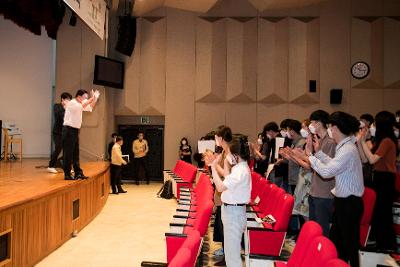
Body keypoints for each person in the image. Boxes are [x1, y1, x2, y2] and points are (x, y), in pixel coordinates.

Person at [308, 111, 364, 267]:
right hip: (343, 203)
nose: (330, 130)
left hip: (350, 204)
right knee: (337, 243)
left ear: (336, 128)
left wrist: (310, 156)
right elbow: (333, 164)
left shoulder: (347, 150)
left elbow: (326, 172)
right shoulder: (344, 147)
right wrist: (318, 154)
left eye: (331, 127)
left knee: (349, 245)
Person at [289, 110, 336, 237]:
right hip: (315, 189)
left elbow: (327, 167)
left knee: (321, 228)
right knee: (314, 227)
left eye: (313, 123)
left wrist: (305, 155)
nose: (311, 126)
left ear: (320, 123)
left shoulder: (330, 142)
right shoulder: (319, 140)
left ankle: (322, 254)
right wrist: (306, 153)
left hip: (324, 191)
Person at [207, 134, 251, 267]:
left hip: (234, 212)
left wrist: (213, 167)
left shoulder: (241, 170)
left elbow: (220, 187)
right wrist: (225, 162)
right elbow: (226, 178)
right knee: (231, 251)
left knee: (232, 256)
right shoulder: (238, 167)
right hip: (231, 211)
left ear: (236, 154)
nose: (227, 155)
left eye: (229, 153)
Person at [360, 111, 398, 251]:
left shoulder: (387, 141)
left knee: (384, 213)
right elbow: (369, 154)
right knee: (378, 213)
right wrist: (366, 140)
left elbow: (372, 159)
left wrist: (363, 141)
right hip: (379, 178)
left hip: (386, 179)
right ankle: (381, 242)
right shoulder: (382, 140)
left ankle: (387, 245)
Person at [63, 89, 99, 180]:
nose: (86, 100)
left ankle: (78, 173)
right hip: (68, 130)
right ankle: (67, 174)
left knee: (75, 153)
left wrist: (95, 99)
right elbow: (83, 105)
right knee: (68, 153)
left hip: (74, 131)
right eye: (84, 98)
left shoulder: (80, 104)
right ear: (79, 97)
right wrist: (92, 97)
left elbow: (90, 108)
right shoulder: (72, 103)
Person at [48, 92, 72, 174]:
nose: (69, 101)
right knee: (58, 148)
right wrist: (65, 108)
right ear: (62, 99)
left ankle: (67, 167)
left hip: (66, 132)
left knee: (67, 150)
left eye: (70, 99)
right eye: (68, 99)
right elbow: (59, 115)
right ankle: (51, 166)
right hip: (57, 133)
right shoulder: (57, 106)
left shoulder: (69, 108)